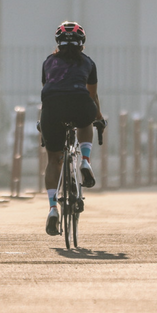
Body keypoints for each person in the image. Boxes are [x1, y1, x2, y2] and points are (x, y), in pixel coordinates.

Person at [39, 21, 105, 236]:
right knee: (86, 121)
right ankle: (85, 161)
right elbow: (92, 96)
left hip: (52, 110)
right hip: (79, 103)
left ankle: (52, 208)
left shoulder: (48, 62)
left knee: (52, 160)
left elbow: (48, 91)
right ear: (82, 42)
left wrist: (44, 121)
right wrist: (99, 118)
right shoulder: (88, 63)